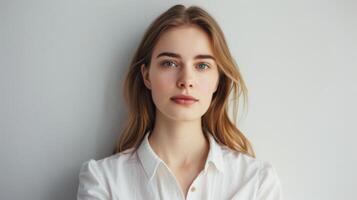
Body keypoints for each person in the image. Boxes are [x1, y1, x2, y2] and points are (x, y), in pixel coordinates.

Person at [77, 4, 283, 200]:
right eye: (169, 63)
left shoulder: (256, 181)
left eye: (202, 66)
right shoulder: (103, 179)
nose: (186, 80)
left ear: (218, 80)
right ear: (147, 76)